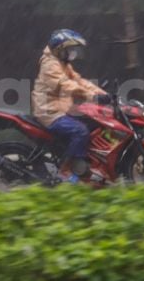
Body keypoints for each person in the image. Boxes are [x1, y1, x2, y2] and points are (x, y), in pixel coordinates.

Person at [31, 29, 108, 183]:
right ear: (60, 49)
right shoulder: (50, 65)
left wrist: (103, 95)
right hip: (50, 112)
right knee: (80, 131)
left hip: (61, 109)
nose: (73, 53)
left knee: (93, 124)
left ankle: (87, 166)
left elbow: (79, 81)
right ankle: (67, 171)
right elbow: (66, 85)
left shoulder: (62, 63)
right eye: (70, 49)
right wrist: (92, 96)